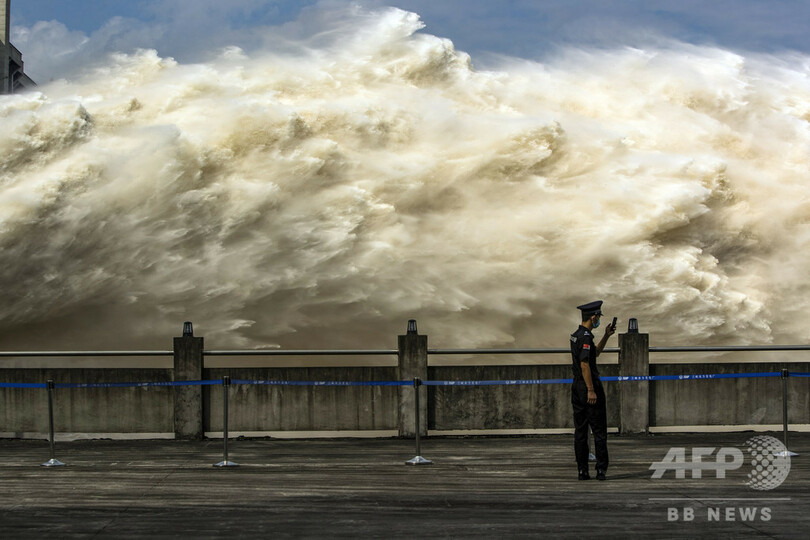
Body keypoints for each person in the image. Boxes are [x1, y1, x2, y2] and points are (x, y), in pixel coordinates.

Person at [570, 300, 615, 480]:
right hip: (588, 387)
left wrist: (606, 336)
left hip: (576, 388)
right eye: (598, 317)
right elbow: (585, 364)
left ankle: (582, 470)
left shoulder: (576, 335)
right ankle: (601, 469)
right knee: (599, 431)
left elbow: (594, 353)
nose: (598, 321)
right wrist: (591, 389)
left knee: (581, 431)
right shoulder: (586, 337)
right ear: (594, 317)